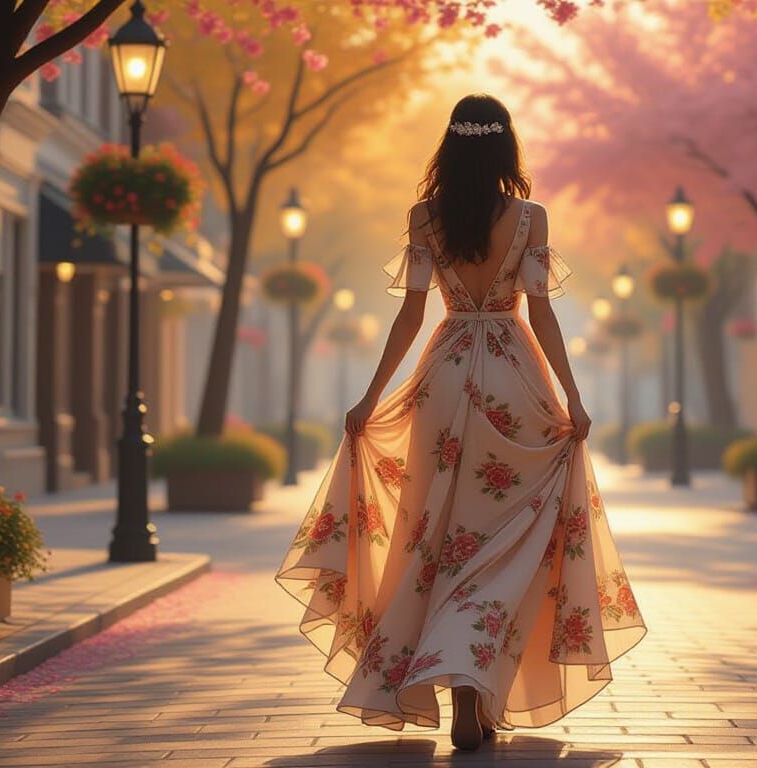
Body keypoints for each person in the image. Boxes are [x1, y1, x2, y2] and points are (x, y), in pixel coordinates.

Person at [276, 93, 646, 751]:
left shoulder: (425, 218)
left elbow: (411, 315)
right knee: (508, 544)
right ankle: (477, 682)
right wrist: (573, 397)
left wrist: (370, 398)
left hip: (443, 381)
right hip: (514, 377)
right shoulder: (530, 218)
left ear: (449, 147)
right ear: (506, 148)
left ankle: (464, 686)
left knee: (437, 539)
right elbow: (542, 312)